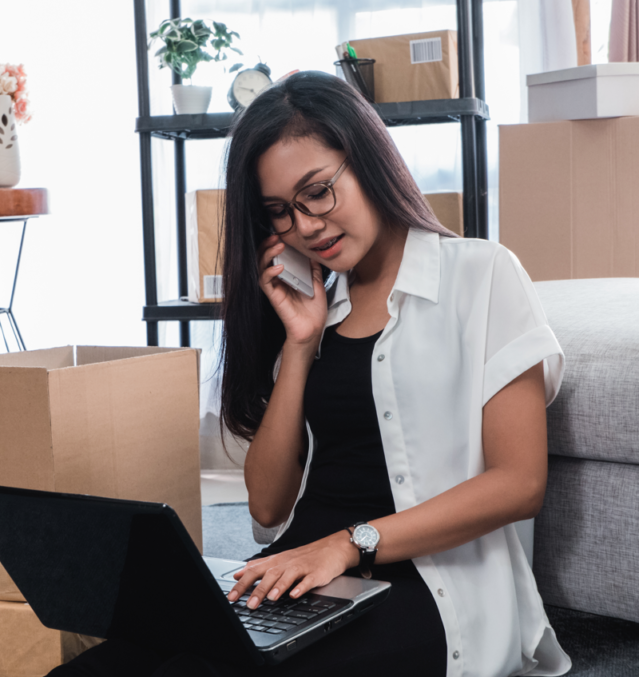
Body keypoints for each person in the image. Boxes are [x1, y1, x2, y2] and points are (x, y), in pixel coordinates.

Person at [48, 71, 572, 677]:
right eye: (280, 212)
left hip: (427, 589)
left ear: (368, 159)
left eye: (318, 191)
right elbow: (269, 511)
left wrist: (349, 544)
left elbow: (519, 483)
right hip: (303, 578)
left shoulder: (481, 275)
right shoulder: (319, 308)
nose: (307, 226)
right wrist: (299, 343)